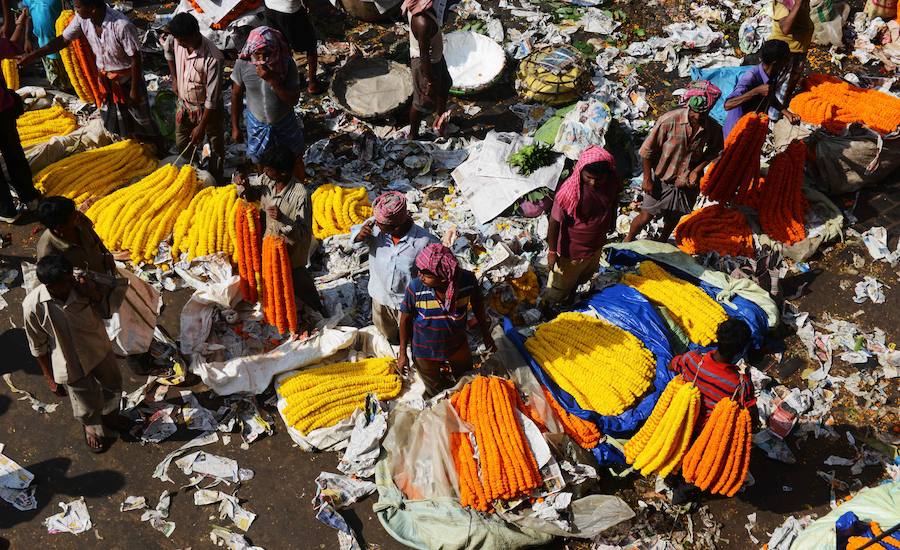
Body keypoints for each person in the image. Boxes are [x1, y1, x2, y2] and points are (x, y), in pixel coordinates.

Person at [18, 0, 164, 150]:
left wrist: (134, 91)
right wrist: (34, 55)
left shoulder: (121, 25)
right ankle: (132, 148)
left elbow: (136, 58)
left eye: (78, 7)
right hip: (107, 81)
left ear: (92, 8)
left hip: (128, 80)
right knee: (115, 122)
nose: (75, 10)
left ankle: (160, 148)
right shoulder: (82, 19)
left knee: (142, 121)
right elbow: (62, 40)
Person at [24, 255, 124, 452]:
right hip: (68, 360)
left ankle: (111, 417)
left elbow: (107, 310)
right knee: (84, 399)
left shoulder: (83, 284)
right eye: (65, 282)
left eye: (71, 278)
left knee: (112, 386)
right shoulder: (33, 306)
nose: (71, 283)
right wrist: (49, 378)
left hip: (98, 347)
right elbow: (37, 345)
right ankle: (91, 426)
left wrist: (92, 293)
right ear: (50, 286)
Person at [625, 81, 724, 243]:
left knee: (674, 216)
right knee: (645, 216)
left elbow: (716, 149)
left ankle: (662, 241)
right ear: (688, 107)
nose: (698, 117)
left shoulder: (712, 128)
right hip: (662, 179)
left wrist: (696, 170)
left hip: (686, 183)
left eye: (703, 114)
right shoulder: (669, 121)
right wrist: (647, 179)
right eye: (694, 113)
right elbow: (647, 151)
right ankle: (627, 241)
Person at [399, 243, 495, 397]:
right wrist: (402, 353)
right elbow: (405, 319)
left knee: (466, 381)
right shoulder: (416, 287)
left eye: (427, 274)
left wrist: (486, 334)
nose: (420, 276)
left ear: (444, 277)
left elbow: (477, 304)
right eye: (420, 271)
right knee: (435, 387)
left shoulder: (467, 281)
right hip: (425, 349)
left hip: (456, 344)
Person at [241, 145, 322, 320]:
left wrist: (283, 219)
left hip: (291, 253)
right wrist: (245, 185)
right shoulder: (267, 180)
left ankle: (320, 313)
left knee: (299, 282)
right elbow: (252, 194)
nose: (264, 172)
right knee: (274, 286)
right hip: (269, 246)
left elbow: (303, 233)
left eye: (269, 170)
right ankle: (279, 315)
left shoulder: (301, 195)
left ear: (283, 173)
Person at [352, 191, 438, 344]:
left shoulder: (424, 242)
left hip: (407, 304)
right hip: (380, 297)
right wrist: (360, 236)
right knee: (385, 336)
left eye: (381, 224)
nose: (376, 225)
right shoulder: (374, 228)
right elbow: (354, 242)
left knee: (411, 338)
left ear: (394, 226)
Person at [544, 146, 620, 305]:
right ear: (579, 171)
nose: (593, 183)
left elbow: (613, 201)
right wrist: (552, 251)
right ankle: (549, 308)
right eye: (589, 177)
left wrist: (612, 221)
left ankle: (572, 296)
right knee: (558, 288)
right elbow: (554, 222)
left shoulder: (611, 182)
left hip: (596, 245)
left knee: (583, 276)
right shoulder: (568, 194)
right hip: (571, 252)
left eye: (599, 179)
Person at [231, 26, 305, 181]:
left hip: (284, 121)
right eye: (258, 54)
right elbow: (236, 95)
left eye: (267, 54)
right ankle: (265, 190)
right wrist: (235, 127)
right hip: (257, 122)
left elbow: (293, 100)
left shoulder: (286, 64)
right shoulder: (242, 65)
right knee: (260, 160)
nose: (262, 59)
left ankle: (299, 190)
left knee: (295, 157)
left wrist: (273, 80)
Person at [161, 13, 225, 183]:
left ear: (192, 35)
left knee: (214, 147)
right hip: (184, 105)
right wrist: (174, 77)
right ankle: (195, 168)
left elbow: (212, 99)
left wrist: (201, 126)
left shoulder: (213, 58)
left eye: (180, 39)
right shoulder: (176, 41)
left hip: (208, 111)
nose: (177, 42)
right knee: (182, 142)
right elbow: (167, 50)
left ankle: (216, 178)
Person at [668, 318, 758, 428]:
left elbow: (671, 366)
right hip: (707, 436)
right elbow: (752, 420)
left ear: (717, 338)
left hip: (680, 423)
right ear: (740, 350)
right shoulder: (740, 385)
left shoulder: (691, 359)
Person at [0, 13, 41, 223]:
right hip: (2, 110)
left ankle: (7, 210)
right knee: (14, 154)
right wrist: (19, 24)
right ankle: (30, 197)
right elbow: (12, 47)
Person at [722, 39, 791, 139]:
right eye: (786, 60)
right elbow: (728, 105)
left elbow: (769, 96)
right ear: (776, 63)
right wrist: (756, 91)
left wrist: (786, 113)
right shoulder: (750, 77)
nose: (787, 63)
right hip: (736, 130)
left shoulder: (773, 74)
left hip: (752, 126)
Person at [404, 0, 452, 139]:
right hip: (426, 66)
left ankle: (440, 119)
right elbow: (424, 56)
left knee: (446, 84)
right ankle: (413, 135)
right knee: (421, 103)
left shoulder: (422, 10)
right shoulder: (422, 22)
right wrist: (430, 82)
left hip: (436, 58)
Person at [36, 196, 115, 274]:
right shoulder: (47, 251)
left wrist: (106, 253)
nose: (78, 214)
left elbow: (93, 235)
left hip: (105, 273)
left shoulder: (79, 218)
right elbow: (55, 281)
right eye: (73, 216)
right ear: (60, 227)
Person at [767, 0, 813, 124]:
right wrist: (798, 4)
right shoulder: (785, 2)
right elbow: (785, 28)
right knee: (781, 86)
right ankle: (772, 117)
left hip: (797, 50)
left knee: (788, 86)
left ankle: (781, 110)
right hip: (787, 52)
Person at [262, 0, 322, 94]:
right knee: (311, 45)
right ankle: (312, 84)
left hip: (270, 7)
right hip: (289, 10)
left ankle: (290, 80)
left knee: (282, 44)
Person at [20, 0, 70, 89]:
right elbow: (29, 17)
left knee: (70, 78)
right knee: (55, 80)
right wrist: (27, 39)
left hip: (62, 45)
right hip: (43, 47)